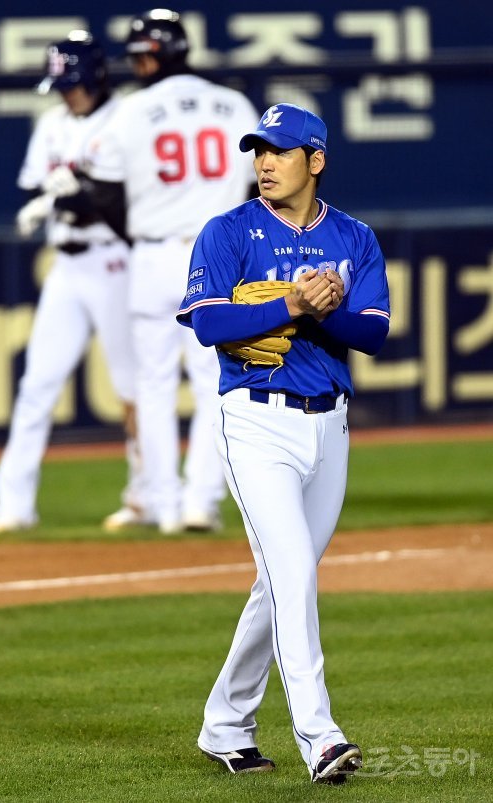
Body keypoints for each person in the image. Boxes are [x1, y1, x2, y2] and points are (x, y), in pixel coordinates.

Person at [177, 103, 390, 783]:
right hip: (255, 422)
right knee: (294, 571)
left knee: (278, 586)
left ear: (315, 160)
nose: (265, 163)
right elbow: (208, 323)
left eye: (280, 151)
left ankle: (225, 724)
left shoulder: (355, 237)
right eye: (259, 151)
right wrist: (291, 305)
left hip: (331, 426)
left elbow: (374, 331)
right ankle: (321, 737)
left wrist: (324, 311)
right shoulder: (228, 231)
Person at [83, 9, 259, 534]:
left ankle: (164, 505)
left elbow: (103, 193)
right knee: (213, 382)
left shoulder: (129, 112)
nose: (138, 64)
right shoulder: (233, 105)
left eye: (143, 55)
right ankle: (199, 502)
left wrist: (138, 236)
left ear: (161, 55)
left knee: (154, 385)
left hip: (152, 257)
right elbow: (262, 185)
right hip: (216, 255)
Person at [0, 31, 148, 534]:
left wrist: (80, 194)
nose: (66, 94)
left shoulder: (127, 118)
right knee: (37, 383)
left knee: (131, 385)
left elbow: (130, 196)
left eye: (72, 83)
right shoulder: (52, 125)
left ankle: (144, 497)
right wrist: (48, 198)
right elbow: (33, 184)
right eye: (60, 85)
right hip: (67, 265)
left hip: (115, 261)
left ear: (96, 76)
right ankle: (13, 505)